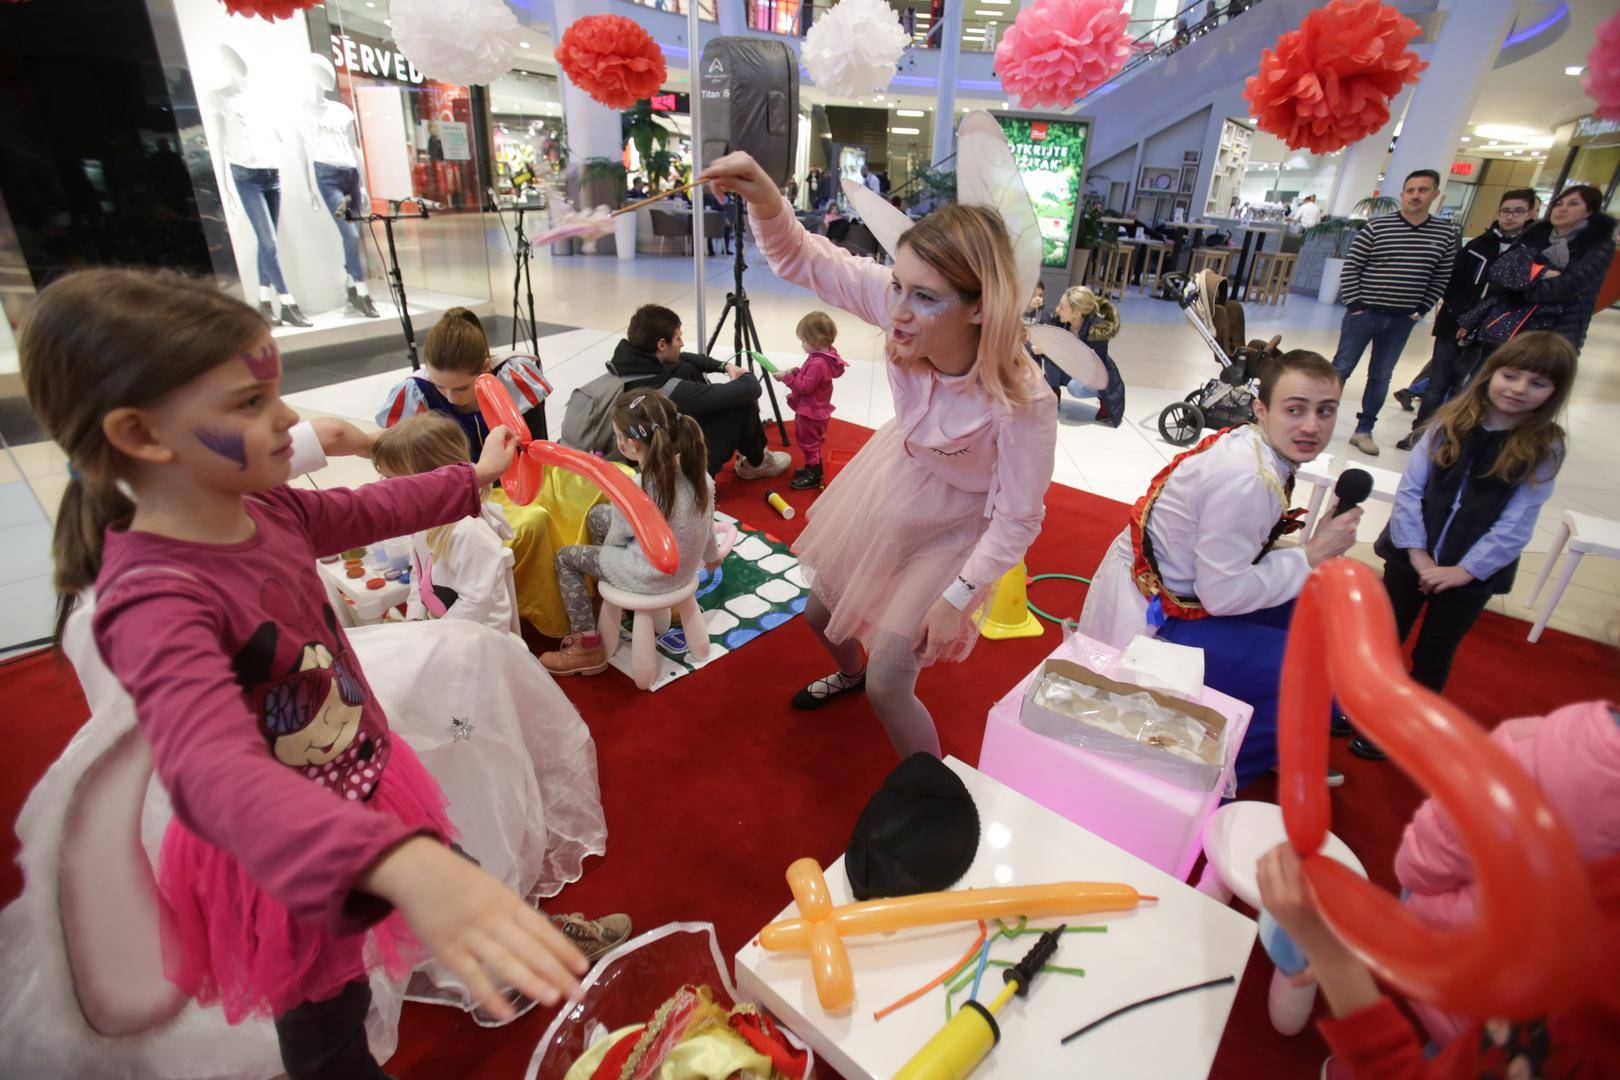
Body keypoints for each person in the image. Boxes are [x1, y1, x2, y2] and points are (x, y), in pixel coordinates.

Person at [17, 269, 588, 1077]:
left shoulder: (267, 506)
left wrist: (475, 477)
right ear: (142, 436)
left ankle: (500, 949)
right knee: (325, 1030)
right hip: (280, 859)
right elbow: (213, 773)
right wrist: (393, 861)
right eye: (251, 404)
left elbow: (378, 508)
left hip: (366, 781)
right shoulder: (153, 598)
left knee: (450, 873)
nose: (290, 419)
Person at [707, 148, 1058, 762]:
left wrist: (957, 599)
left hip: (960, 525)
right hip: (896, 477)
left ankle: (927, 794)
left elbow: (1019, 518)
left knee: (892, 681)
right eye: (896, 284)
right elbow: (801, 257)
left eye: (925, 297)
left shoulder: (1023, 397)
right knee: (821, 612)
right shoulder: (901, 308)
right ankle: (849, 674)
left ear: (980, 305)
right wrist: (765, 197)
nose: (896, 311)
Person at [1256, 700, 1620, 1078]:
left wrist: (1333, 958)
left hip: (1447, 963)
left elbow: (1421, 863)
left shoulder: (1526, 751)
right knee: (1456, 1050)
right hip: (1481, 1010)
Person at [1077, 351, 1362, 786]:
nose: (1311, 426)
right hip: (1159, 618)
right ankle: (1220, 775)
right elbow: (1222, 595)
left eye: (1325, 411)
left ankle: (1278, 725)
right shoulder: (1248, 478)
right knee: (1309, 663)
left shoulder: (1255, 443)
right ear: (1262, 410)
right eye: (1295, 409)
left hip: (1168, 588)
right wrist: (1310, 556)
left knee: (1314, 613)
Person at [1354, 333, 1572, 761]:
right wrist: (1417, 554)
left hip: (1470, 575)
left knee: (1435, 651)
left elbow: (1517, 522)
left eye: (1537, 383)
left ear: (1555, 392)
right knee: (1383, 634)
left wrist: (1465, 571)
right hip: (1409, 556)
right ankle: (1362, 707)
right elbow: (1411, 490)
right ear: (1491, 373)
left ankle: (1407, 724)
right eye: (1510, 375)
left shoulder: (1545, 445)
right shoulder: (1449, 420)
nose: (1519, 389)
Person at [542, 391, 722, 676]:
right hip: (685, 569)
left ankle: (587, 644)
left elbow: (617, 538)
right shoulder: (699, 475)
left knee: (566, 558)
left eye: (617, 435)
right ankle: (625, 602)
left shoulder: (637, 488)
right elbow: (707, 523)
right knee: (595, 516)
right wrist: (712, 558)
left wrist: (610, 563)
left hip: (648, 576)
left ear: (631, 444)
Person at [1392, 189, 1538, 451]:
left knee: (1473, 388)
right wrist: (1465, 318)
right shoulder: (1477, 246)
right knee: (1437, 383)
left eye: (1517, 211)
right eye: (1505, 210)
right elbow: (1451, 283)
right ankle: (1420, 433)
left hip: (1495, 331)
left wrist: (1480, 321)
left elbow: (1520, 294)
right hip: (1454, 325)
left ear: (1530, 214)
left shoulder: (1530, 252)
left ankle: (1449, 437)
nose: (1509, 216)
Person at [1331, 169, 1459, 456]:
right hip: (1364, 313)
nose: (1416, 195)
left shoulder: (1444, 234)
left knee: (1381, 375)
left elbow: (1441, 275)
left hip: (1401, 318)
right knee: (1340, 369)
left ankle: (1364, 430)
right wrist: (1355, 305)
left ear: (1435, 195)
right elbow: (1352, 266)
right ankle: (1318, 421)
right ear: (1402, 194)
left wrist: (1420, 309)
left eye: (1423, 190)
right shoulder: (1378, 227)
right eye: (1410, 190)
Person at [371, 413, 517, 635]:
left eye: (394, 480)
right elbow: (418, 578)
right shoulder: (423, 520)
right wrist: (415, 620)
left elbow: (476, 603)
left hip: (480, 639)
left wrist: (433, 636)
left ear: (434, 478)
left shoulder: (468, 530)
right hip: (444, 630)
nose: (388, 488)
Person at [609, 303, 792, 479]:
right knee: (740, 403)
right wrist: (743, 374)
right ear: (662, 345)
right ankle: (757, 463)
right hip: (672, 477)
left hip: (639, 457)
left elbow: (683, 358)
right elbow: (751, 389)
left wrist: (724, 366)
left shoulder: (628, 365)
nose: (682, 343)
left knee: (685, 367)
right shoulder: (665, 389)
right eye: (678, 338)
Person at [1457, 184, 1616, 361]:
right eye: (1559, 203)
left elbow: (1567, 286)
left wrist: (1519, 284)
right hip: (1509, 325)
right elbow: (1497, 273)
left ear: (1589, 211)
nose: (1562, 209)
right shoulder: (1533, 237)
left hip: (1559, 328)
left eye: (1573, 204)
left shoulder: (1598, 245)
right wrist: (1539, 275)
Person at [375, 307, 550, 455]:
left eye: (462, 388)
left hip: (520, 486)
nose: (451, 398)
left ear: (485, 367)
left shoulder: (513, 378)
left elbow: (535, 448)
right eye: (440, 387)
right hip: (456, 487)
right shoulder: (417, 391)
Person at [779, 310, 849, 490]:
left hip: (811, 411)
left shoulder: (818, 363)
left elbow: (804, 387)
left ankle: (814, 474)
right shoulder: (823, 356)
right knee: (809, 441)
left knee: (809, 441)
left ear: (817, 341)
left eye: (803, 341)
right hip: (815, 408)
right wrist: (795, 371)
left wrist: (786, 379)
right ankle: (812, 468)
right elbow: (809, 377)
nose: (802, 345)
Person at [1046, 285, 1125, 427]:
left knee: (1075, 388)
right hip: (1073, 365)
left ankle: (1104, 399)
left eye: (1062, 307)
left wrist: (1062, 350)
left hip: (1095, 372)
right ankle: (1054, 394)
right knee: (1049, 355)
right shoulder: (1060, 321)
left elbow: (1093, 366)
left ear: (1076, 313)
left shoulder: (1097, 331)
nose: (1057, 310)